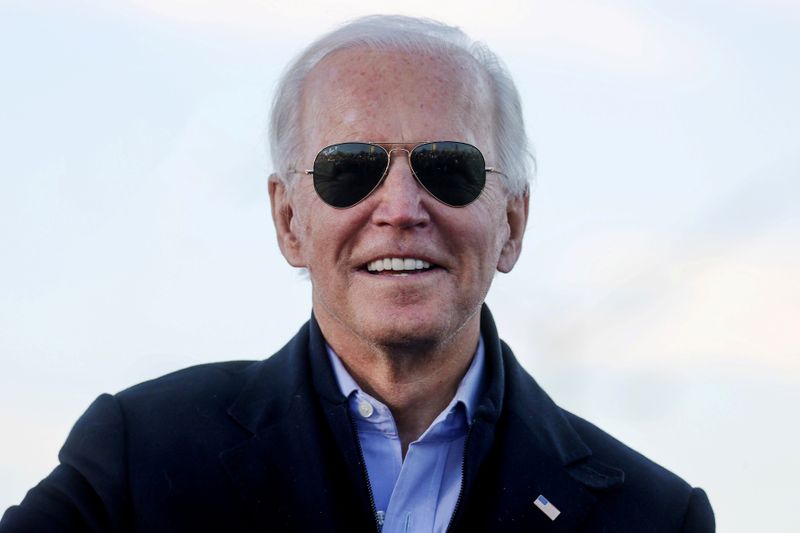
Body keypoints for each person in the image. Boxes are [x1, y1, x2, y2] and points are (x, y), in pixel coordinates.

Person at [0, 15, 714, 533]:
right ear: (289, 222)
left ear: (513, 224)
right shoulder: (137, 459)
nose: (402, 209)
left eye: (448, 169)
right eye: (350, 169)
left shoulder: (653, 517)